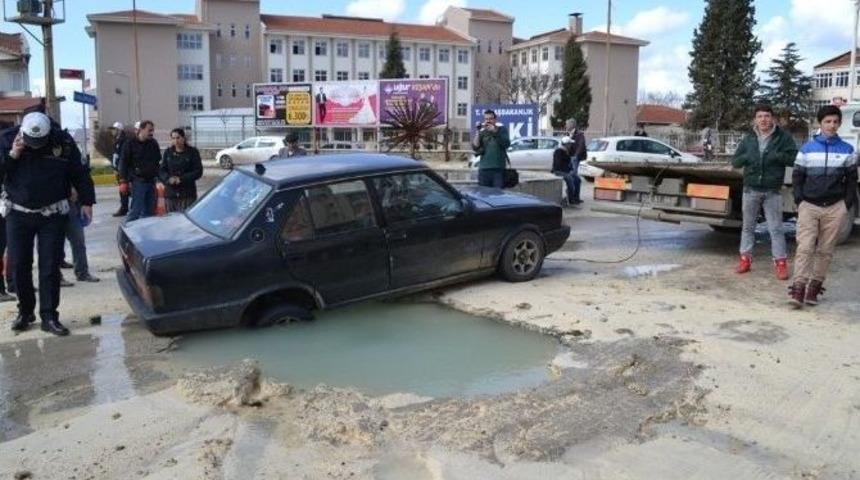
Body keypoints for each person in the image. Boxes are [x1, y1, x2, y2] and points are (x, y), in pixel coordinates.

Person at [0, 112, 96, 335]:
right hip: (18, 213)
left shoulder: (62, 141)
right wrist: (13, 155)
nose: (35, 146)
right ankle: (25, 312)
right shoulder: (6, 139)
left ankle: (49, 316)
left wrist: (87, 201)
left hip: (52, 214)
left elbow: (80, 172)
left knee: (50, 266)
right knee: (19, 266)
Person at [788, 105, 858, 307]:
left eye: (835, 121)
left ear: (839, 124)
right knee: (805, 247)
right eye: (828, 121)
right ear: (821, 123)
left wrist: (846, 203)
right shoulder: (807, 148)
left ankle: (814, 289)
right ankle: (798, 289)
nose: (832, 125)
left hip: (835, 207)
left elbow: (852, 179)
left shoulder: (847, 149)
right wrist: (800, 199)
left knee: (826, 250)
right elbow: (798, 176)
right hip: (809, 205)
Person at [730, 104, 797, 280]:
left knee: (776, 228)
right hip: (750, 189)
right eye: (760, 116)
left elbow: (794, 158)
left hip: (772, 190)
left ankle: (781, 263)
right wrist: (748, 157)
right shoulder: (749, 139)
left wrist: (777, 155)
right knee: (747, 227)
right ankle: (745, 260)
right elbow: (736, 161)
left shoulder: (783, 138)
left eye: (767, 116)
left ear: (772, 118)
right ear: (755, 119)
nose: (763, 119)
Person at [119, 120, 160, 221]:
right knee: (135, 211)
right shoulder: (130, 144)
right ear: (141, 130)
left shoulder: (153, 143)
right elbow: (123, 163)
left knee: (150, 212)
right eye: (149, 130)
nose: (151, 133)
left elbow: (158, 161)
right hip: (138, 182)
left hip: (151, 181)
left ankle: (145, 233)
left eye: (152, 130)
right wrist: (124, 181)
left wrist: (159, 178)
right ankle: (125, 232)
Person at [159, 128, 203, 213]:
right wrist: (168, 179)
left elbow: (198, 171)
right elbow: (162, 170)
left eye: (178, 138)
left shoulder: (192, 152)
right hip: (171, 194)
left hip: (187, 194)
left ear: (183, 138)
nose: (176, 141)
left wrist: (182, 179)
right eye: (173, 138)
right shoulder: (168, 152)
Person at [472, 109, 510, 188]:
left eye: (491, 119)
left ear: (495, 120)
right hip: (484, 169)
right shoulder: (483, 132)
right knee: (483, 194)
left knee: (498, 195)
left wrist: (495, 132)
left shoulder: (502, 130)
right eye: (486, 119)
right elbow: (475, 147)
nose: (488, 121)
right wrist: (478, 131)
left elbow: (506, 144)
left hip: (498, 169)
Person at [552, 136, 580, 206]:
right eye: (570, 144)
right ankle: (570, 199)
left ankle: (575, 197)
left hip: (565, 171)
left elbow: (569, 164)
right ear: (566, 144)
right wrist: (568, 171)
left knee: (577, 179)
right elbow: (558, 165)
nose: (571, 145)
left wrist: (570, 170)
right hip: (558, 171)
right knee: (570, 179)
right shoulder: (558, 151)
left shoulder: (566, 151)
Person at [111, 122, 130, 217]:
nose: (112, 131)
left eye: (114, 129)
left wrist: (120, 169)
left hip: (122, 170)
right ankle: (124, 206)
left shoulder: (124, 141)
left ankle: (124, 207)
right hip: (118, 169)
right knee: (122, 189)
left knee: (124, 189)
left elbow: (123, 157)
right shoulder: (117, 140)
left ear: (119, 130)